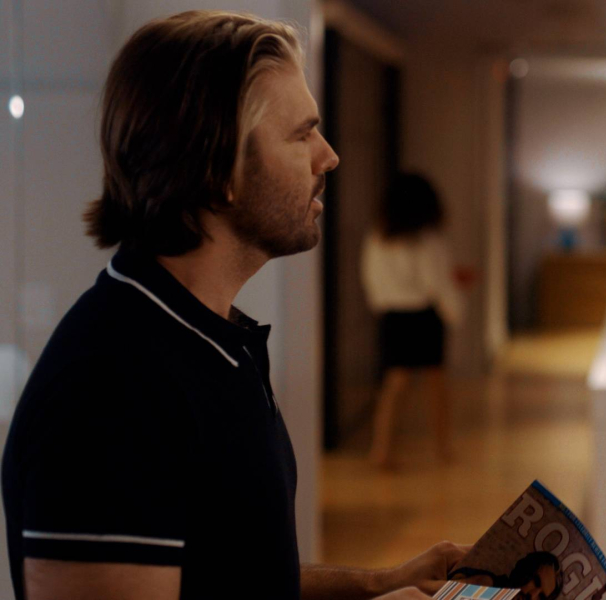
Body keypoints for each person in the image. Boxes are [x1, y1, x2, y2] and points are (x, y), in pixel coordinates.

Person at [1, 11, 464, 600]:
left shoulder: (211, 339)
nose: (328, 156)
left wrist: (380, 585)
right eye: (301, 134)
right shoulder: (108, 386)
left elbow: (232, 578)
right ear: (218, 167)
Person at [361, 173, 465, 469]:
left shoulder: (377, 236)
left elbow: (370, 279)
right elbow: (437, 283)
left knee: (394, 384)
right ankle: (443, 447)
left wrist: (381, 306)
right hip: (424, 316)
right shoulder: (428, 239)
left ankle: (381, 450)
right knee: (436, 383)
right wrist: (454, 311)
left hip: (392, 316)